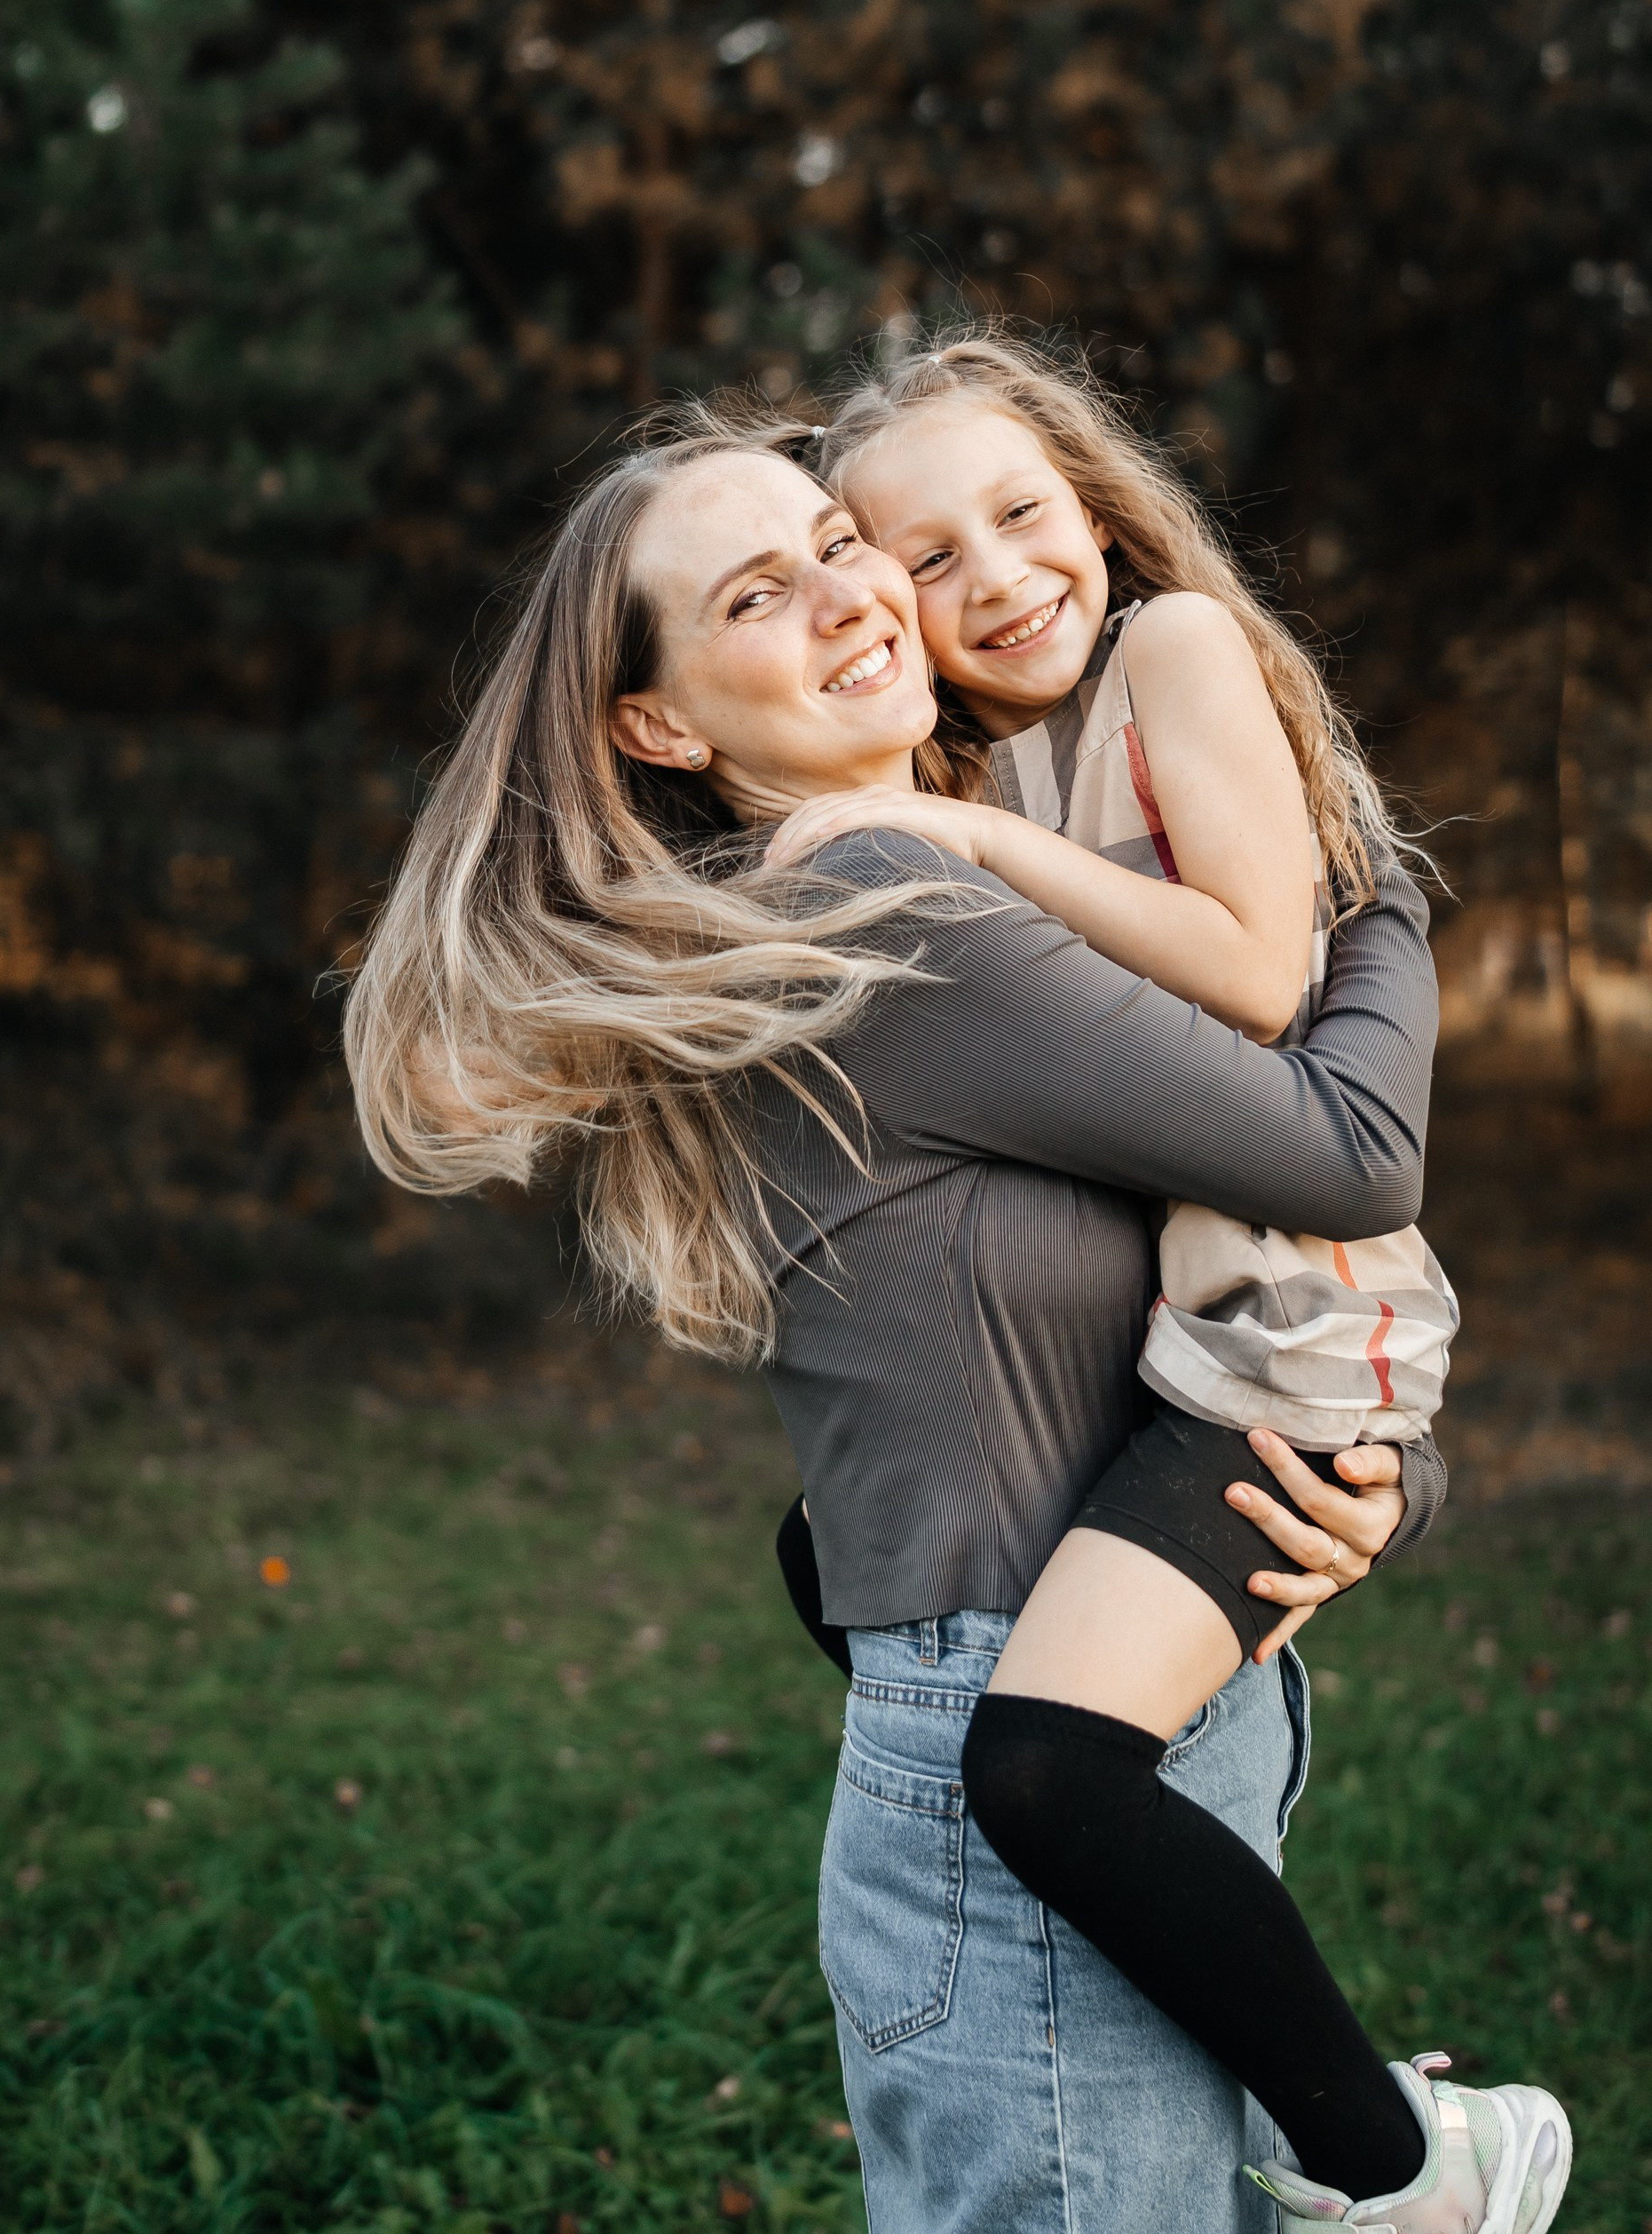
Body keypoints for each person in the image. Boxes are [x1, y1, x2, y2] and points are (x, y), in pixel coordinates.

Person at [342, 410, 1474, 2232]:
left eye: (826, 539)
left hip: (1106, 1710)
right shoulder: (884, 897)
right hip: (1039, 1772)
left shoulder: (897, 881)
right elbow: (1348, 1151)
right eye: (754, 594)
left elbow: (1178, 1308)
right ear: (660, 724)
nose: (850, 594)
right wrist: (1380, 889)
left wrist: (1364, 1495)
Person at [759, 331, 1569, 2232]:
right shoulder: (979, 762)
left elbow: (1266, 981)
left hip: (1281, 1318)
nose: (996, 578)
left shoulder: (1165, 658)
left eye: (1021, 515)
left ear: (1098, 508)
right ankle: (1223, 2049)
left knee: (1039, 1770)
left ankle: (1404, 2165)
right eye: (928, 559)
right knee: (839, 1572)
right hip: (1177, 1340)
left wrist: (956, 835)